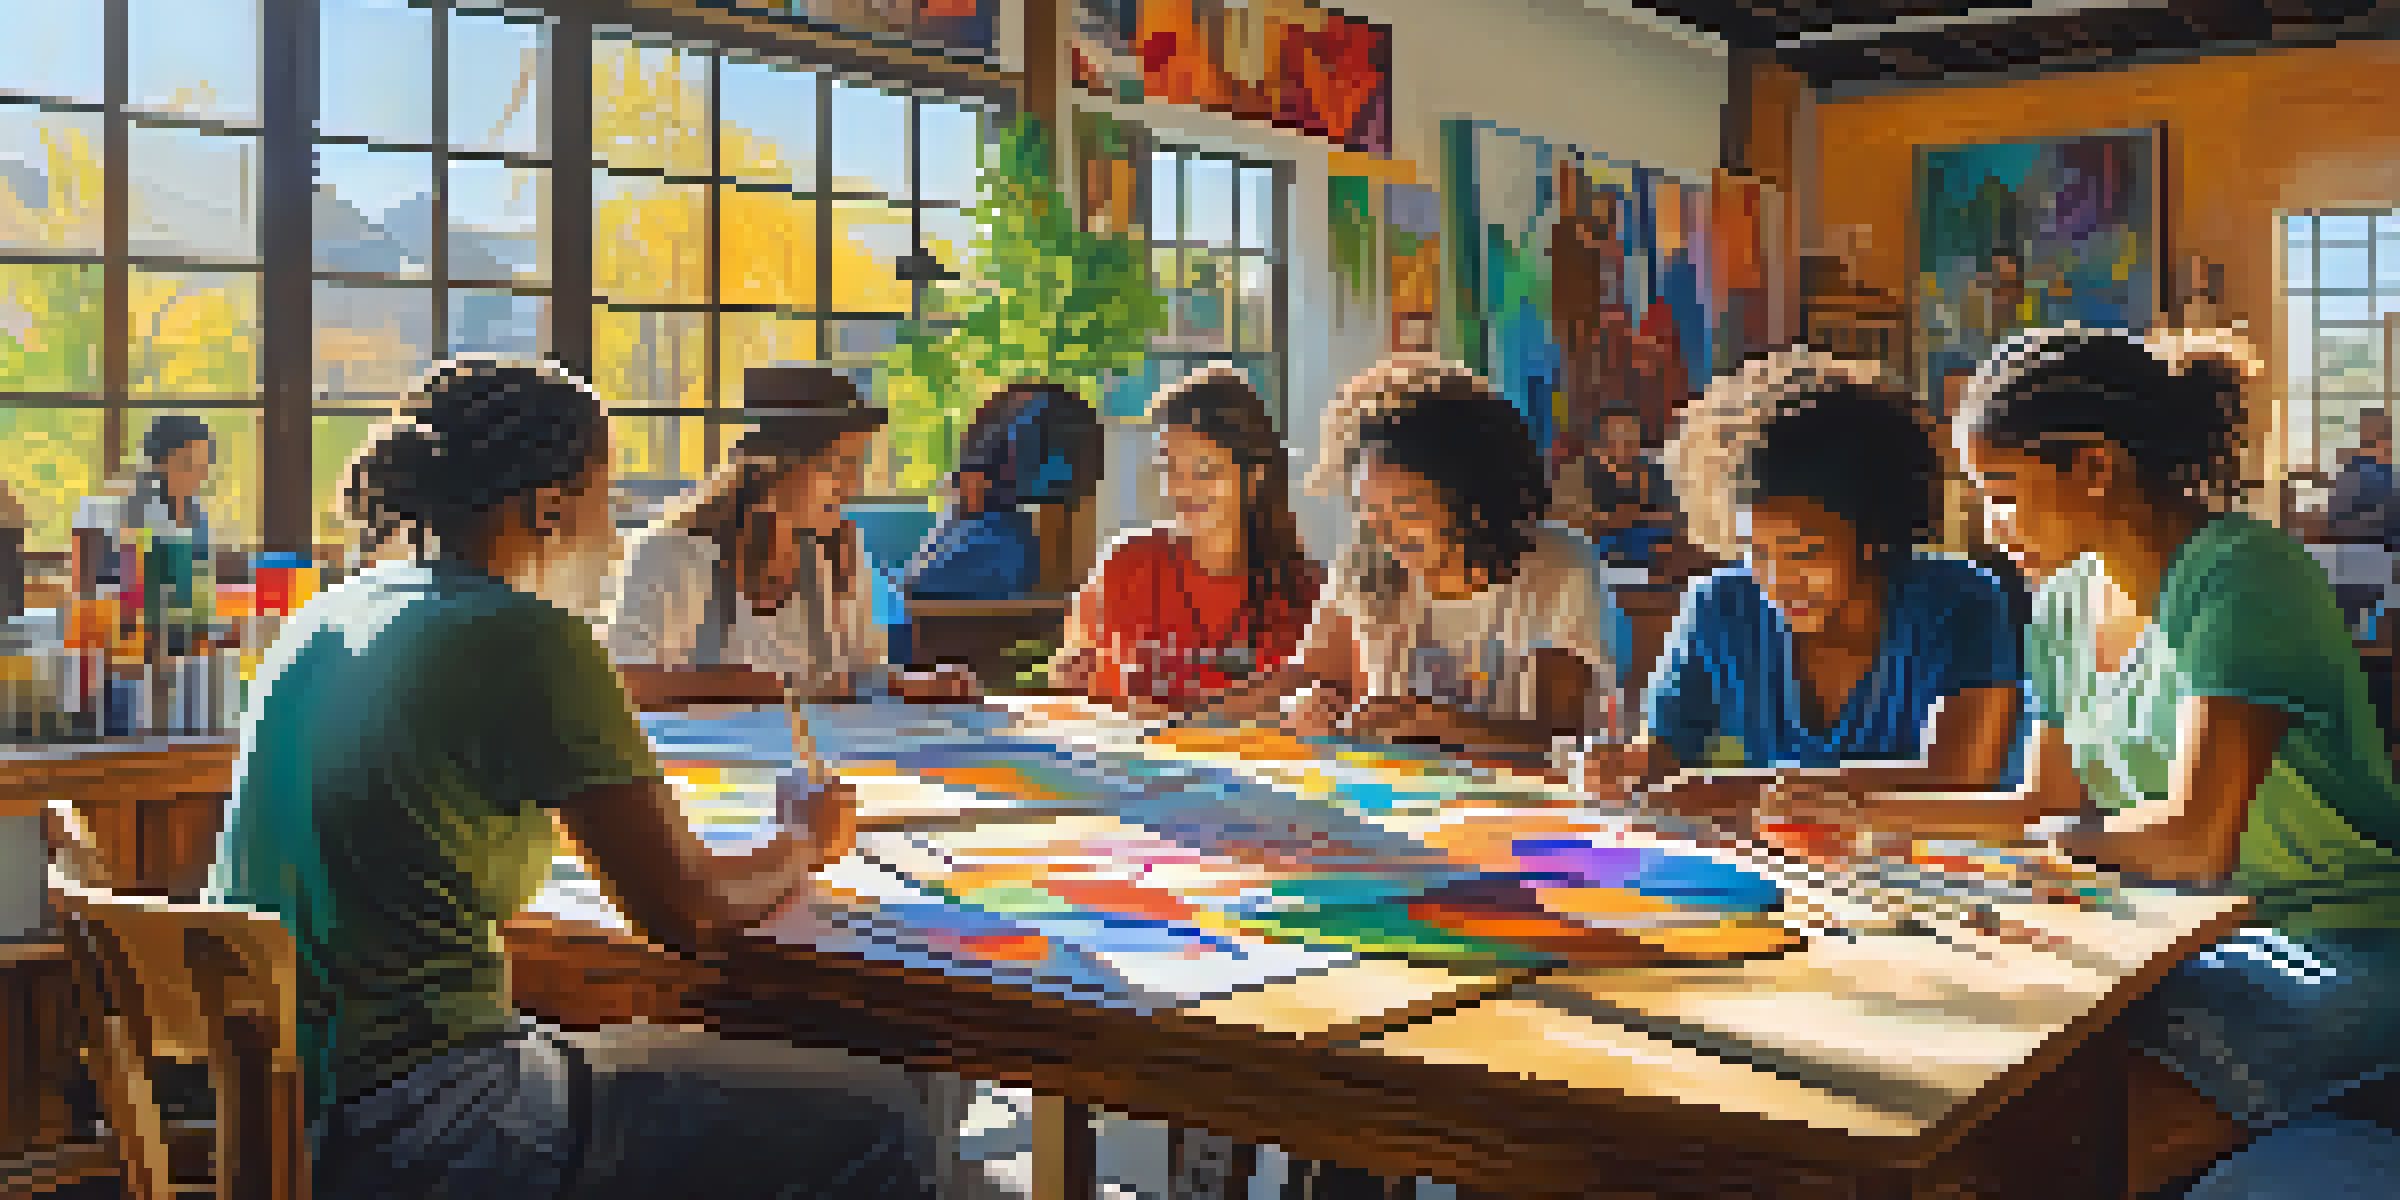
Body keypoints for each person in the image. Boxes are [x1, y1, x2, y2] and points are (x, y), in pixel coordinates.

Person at [207, 357, 937, 1200]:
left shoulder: (328, 615)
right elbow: (691, 910)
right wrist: (805, 843)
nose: (615, 521)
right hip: (429, 1124)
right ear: (548, 507)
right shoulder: (528, 639)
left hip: (285, 1119)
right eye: (606, 491)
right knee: (881, 1115)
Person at [1788, 329, 2400, 1187]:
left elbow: (2197, 838)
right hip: (2174, 945)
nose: (1993, 529)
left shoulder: (2243, 576)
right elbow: (2043, 805)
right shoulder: (2064, 604)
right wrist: (1844, 806)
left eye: (2003, 494)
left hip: (2339, 948)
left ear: (2097, 469)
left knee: (2046, 1152)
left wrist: (2028, 859)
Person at [1589, 351, 2024, 815]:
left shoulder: (1962, 605)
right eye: (1756, 553)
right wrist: (1619, 769)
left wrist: (1739, 792)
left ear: (1872, 535)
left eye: (1805, 553)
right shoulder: (1721, 605)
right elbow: (1659, 760)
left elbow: (1959, 779)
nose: (1777, 582)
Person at [1215, 357, 1626, 755]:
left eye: (1407, 512)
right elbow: (1307, 679)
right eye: (1368, 511)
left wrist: (1433, 721)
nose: (1384, 532)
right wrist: (1303, 707)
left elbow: (1563, 738)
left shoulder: (1558, 566)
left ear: (1472, 500)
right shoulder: (1365, 559)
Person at [607, 366, 972, 707]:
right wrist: (750, 686)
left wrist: (912, 684)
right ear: (774, 464)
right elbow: (624, 681)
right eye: (838, 466)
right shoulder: (672, 553)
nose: (852, 487)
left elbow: (861, 673)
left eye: (858, 467)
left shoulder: (838, 549)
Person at [1048, 366, 1322, 717]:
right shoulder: (1127, 565)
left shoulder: (1306, 593)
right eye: (1169, 468)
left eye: (1204, 471)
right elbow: (1074, 680)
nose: (1182, 488)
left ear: (1254, 476)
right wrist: (1072, 680)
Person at [901, 383, 1066, 603]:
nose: (952, 487)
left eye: (959, 476)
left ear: (980, 480)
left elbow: (911, 587)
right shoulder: (1017, 534)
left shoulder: (981, 537)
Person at [72, 414, 217, 591]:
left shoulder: (198, 520)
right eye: (188, 465)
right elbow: (84, 588)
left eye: (203, 466)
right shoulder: (107, 508)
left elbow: (197, 587)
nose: (199, 477)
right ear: (159, 462)